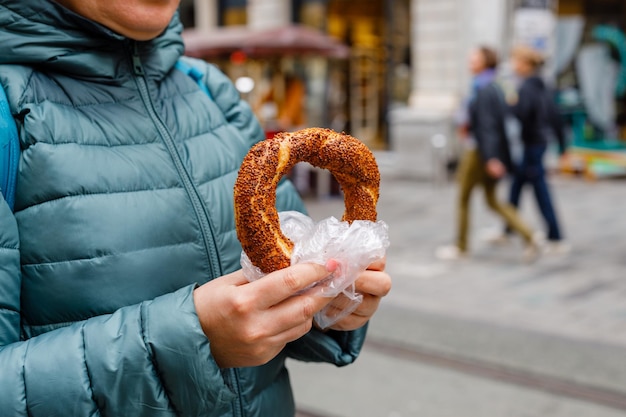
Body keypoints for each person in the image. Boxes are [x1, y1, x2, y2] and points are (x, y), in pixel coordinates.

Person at [0, 1, 391, 417]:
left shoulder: (210, 89)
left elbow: (288, 274)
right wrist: (189, 340)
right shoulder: (9, 113)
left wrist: (330, 303)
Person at [436, 46, 538, 261]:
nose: (469, 60)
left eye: (475, 57)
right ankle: (529, 235)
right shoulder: (493, 85)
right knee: (492, 200)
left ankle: (461, 246)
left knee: (463, 196)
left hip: (478, 151)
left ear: (486, 62)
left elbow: (488, 126)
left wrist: (491, 157)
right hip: (488, 150)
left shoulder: (484, 88)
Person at [485, 45, 570, 254]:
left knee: (541, 191)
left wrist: (510, 102)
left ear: (525, 64)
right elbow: (555, 117)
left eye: (515, 61)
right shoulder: (542, 85)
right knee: (516, 186)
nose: (513, 66)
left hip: (532, 146)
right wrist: (562, 145)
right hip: (537, 144)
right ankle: (509, 228)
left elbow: (522, 113)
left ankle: (556, 236)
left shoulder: (528, 88)